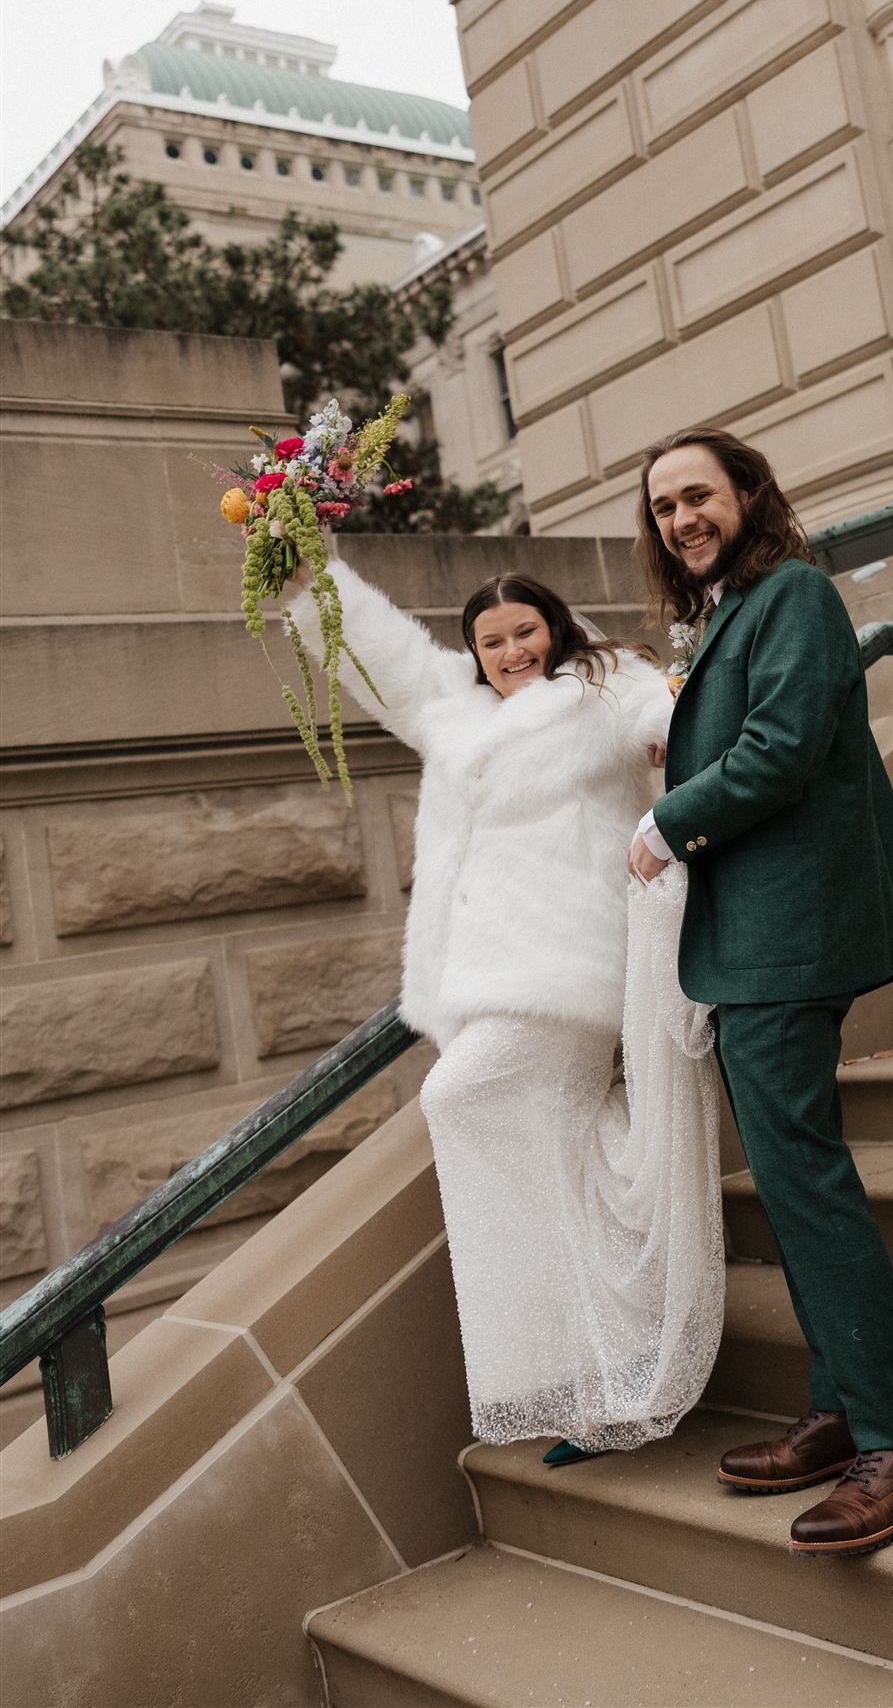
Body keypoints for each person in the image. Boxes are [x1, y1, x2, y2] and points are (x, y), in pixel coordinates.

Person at [288, 558, 724, 1461]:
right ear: (474, 652)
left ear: (553, 627)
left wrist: (670, 744)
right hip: (485, 974)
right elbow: (381, 657)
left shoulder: (602, 686)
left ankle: (615, 1364)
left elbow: (674, 724)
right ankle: (597, 1379)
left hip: (566, 966)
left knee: (458, 1100)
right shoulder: (454, 712)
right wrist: (305, 580)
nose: (510, 651)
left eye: (524, 631)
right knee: (555, 1163)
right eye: (491, 641)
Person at [627, 427, 893, 1558]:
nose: (682, 517)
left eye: (699, 494)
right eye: (665, 505)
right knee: (787, 1175)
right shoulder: (727, 612)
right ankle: (842, 1405)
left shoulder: (796, 597)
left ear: (748, 494)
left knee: (804, 1180)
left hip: (787, 936)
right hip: (749, 939)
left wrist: (668, 819)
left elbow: (776, 750)